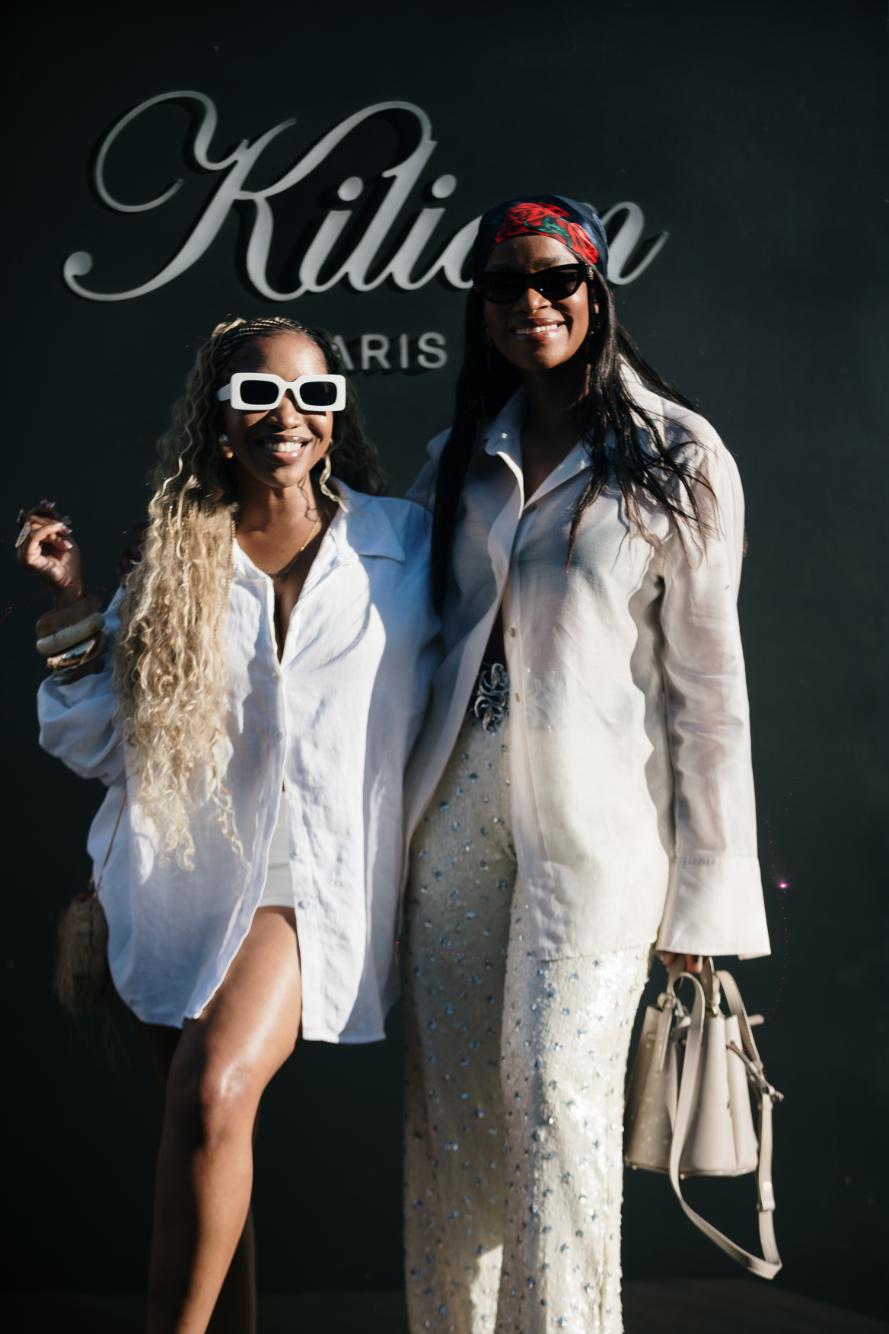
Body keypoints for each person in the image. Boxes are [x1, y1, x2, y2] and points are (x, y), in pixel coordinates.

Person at [18, 314, 439, 1334]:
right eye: (259, 393)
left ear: (337, 417)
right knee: (207, 1131)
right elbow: (106, 746)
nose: (287, 414)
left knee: (210, 1095)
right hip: (175, 879)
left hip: (314, 878)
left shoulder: (406, 544)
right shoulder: (177, 557)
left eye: (313, 394)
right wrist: (70, 609)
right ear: (219, 415)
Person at [401, 196, 771, 1334]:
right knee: (456, 1121)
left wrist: (707, 895)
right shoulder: (456, 459)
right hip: (454, 811)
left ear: (596, 290)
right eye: (504, 285)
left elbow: (709, 691)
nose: (532, 301)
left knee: (558, 1106)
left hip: (601, 836)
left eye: (555, 277)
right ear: (481, 310)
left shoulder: (675, 452)